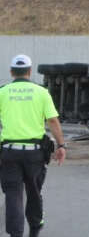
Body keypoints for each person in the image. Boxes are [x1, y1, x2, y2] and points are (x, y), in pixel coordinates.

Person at [0, 55, 66, 237]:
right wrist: (61, 146)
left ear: (11, 72)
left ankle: (16, 234)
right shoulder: (41, 92)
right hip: (34, 154)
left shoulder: (2, 92)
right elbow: (52, 120)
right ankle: (35, 228)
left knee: (13, 194)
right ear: (29, 71)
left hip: (8, 153)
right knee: (34, 191)